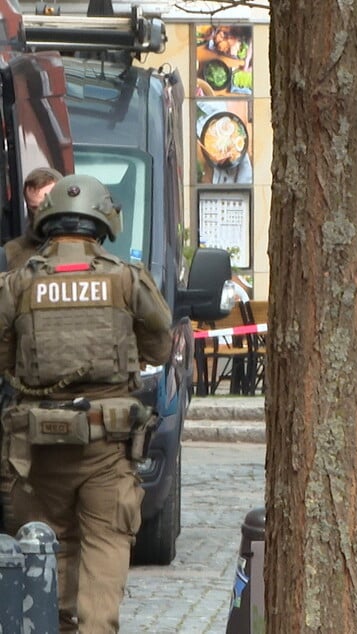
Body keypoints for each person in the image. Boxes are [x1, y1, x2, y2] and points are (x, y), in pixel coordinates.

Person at [0, 174, 172, 632]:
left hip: (37, 455)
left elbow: (3, 361)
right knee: (105, 547)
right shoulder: (127, 279)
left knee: (42, 556)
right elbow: (159, 349)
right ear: (104, 222)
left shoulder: (16, 284)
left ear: (46, 221)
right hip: (106, 449)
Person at [4, 166, 63, 270]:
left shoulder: (87, 246)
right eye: (34, 207)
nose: (41, 213)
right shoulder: (12, 252)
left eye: (47, 205)